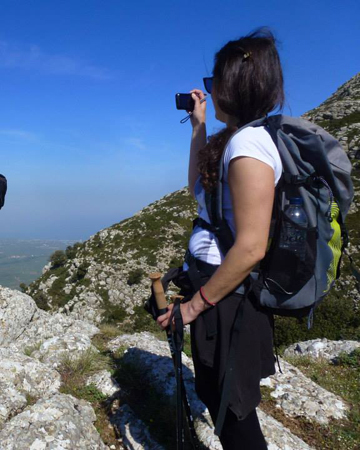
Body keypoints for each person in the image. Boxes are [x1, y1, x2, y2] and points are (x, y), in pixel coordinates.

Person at [158, 29, 284, 449]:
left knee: (233, 411)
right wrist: (198, 125)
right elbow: (198, 190)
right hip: (219, 295)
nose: (211, 91)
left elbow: (251, 246)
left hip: (227, 301)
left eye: (214, 82)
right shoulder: (238, 138)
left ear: (235, 85)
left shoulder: (249, 145)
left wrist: (193, 307)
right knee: (216, 396)